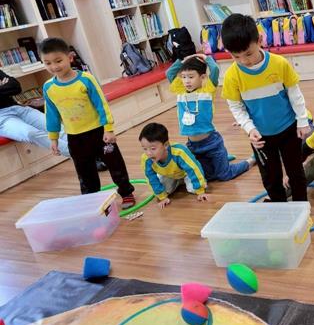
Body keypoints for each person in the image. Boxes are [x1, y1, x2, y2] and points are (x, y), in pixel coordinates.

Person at [221, 13, 310, 202]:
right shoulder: (231, 76)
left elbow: (295, 94)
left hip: (289, 129)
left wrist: (302, 121)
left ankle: (302, 206)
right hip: (260, 136)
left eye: (248, 54)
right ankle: (279, 207)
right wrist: (249, 128)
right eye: (236, 56)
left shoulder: (279, 63)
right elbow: (236, 106)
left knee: (295, 172)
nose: (244, 61)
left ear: (260, 40)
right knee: (270, 177)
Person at [41, 37, 135, 208]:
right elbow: (51, 114)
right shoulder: (49, 87)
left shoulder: (86, 79)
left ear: (70, 57)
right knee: (84, 172)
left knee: (115, 164)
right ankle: (92, 201)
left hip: (98, 132)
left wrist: (108, 128)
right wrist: (53, 138)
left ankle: (126, 192)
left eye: (58, 61)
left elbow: (102, 105)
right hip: (74, 137)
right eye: (48, 63)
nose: (54, 67)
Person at [166, 53, 254, 182]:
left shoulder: (207, 90)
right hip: (193, 146)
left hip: (212, 143)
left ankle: (250, 161)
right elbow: (169, 73)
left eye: (191, 77)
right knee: (206, 176)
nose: (187, 81)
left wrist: (204, 57)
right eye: (183, 77)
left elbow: (215, 69)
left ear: (202, 77)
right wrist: (183, 60)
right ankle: (222, 160)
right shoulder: (180, 90)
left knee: (224, 175)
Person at [139, 122, 209, 209]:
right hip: (169, 175)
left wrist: (200, 191)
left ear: (166, 145)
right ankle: (178, 182)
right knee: (164, 191)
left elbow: (193, 169)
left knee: (193, 189)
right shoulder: (146, 159)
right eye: (145, 149)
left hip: (186, 173)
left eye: (153, 148)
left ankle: (186, 181)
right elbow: (151, 178)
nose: (148, 153)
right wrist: (162, 197)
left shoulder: (179, 152)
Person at [0, 69, 70, 156]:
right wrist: (3, 87)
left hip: (18, 108)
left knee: (56, 128)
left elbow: (16, 86)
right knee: (30, 133)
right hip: (2, 118)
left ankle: (82, 153)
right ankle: (79, 154)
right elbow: (10, 87)